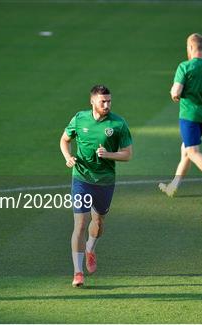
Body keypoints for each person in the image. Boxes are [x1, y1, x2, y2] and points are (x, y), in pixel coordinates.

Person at [60, 85, 133, 287]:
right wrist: (68, 157)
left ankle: (91, 248)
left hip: (105, 180)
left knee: (98, 222)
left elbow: (128, 154)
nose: (107, 104)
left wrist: (108, 155)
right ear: (92, 101)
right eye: (103, 101)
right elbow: (64, 140)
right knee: (80, 224)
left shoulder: (118, 124)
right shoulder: (79, 118)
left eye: (109, 101)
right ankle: (77, 272)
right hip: (82, 178)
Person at [159, 33, 202, 202]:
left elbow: (176, 91)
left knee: (192, 151)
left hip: (189, 116)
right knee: (186, 151)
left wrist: (175, 95)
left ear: (190, 48)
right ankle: (173, 187)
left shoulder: (184, 67)